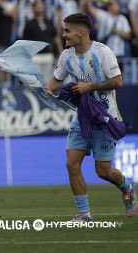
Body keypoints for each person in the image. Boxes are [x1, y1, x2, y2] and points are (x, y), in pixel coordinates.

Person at [45, 12, 137, 221]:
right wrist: (45, 90)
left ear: (82, 31)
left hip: (105, 120)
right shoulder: (66, 56)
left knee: (103, 172)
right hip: (83, 117)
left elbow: (118, 81)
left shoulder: (103, 52)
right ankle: (84, 214)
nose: (64, 34)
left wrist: (91, 86)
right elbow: (54, 83)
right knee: (71, 163)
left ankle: (127, 187)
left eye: (68, 30)